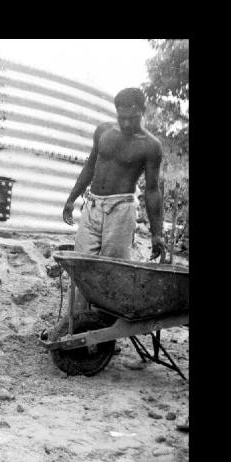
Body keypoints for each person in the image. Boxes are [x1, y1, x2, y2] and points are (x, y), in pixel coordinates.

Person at [62, 88, 166, 314]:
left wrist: (157, 233)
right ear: (116, 112)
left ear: (143, 111)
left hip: (121, 211)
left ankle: (105, 334)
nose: (127, 123)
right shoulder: (103, 131)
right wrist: (71, 198)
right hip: (92, 206)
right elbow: (90, 166)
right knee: (81, 267)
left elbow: (152, 189)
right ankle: (78, 323)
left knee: (112, 272)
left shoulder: (150, 146)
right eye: (122, 117)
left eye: (133, 117)